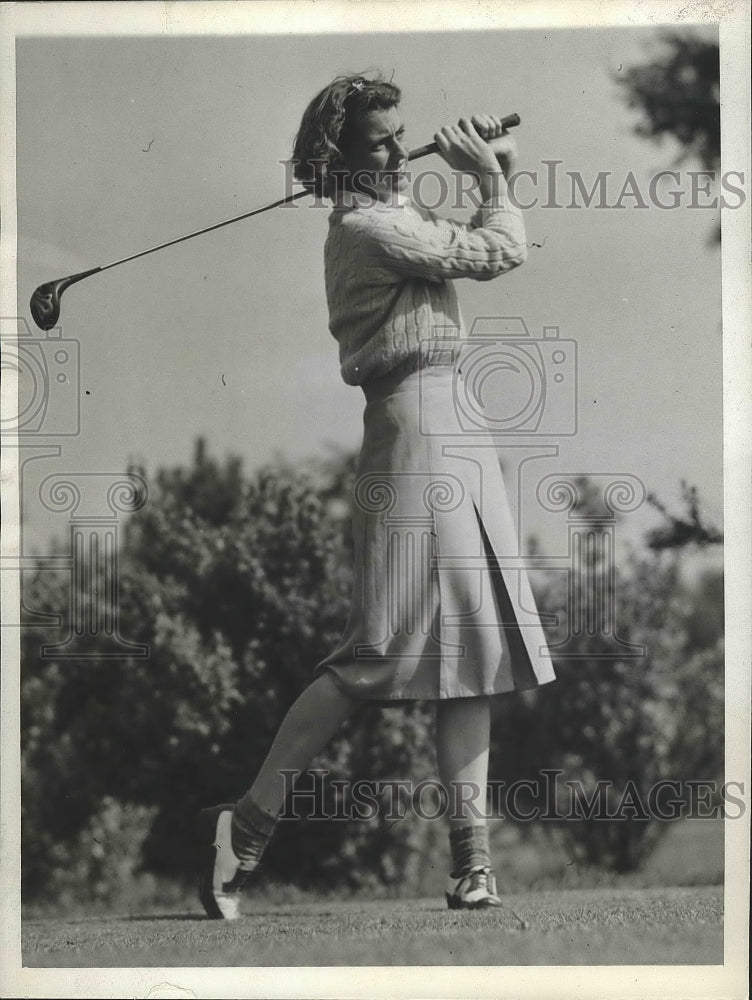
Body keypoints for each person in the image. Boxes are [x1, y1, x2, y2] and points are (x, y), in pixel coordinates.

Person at [198, 72, 555, 920]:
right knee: (380, 656)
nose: (401, 148)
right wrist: (494, 179)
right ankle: (243, 830)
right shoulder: (369, 227)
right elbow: (498, 250)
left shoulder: (395, 219)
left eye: (402, 134)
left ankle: (473, 867)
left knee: (472, 651)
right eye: (382, 140)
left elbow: (473, 237)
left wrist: (492, 168)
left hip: (455, 415)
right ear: (341, 156)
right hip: (413, 425)